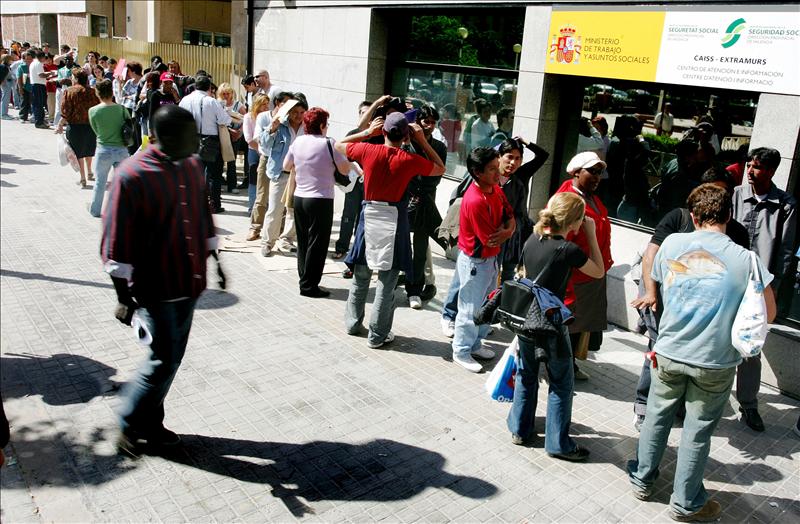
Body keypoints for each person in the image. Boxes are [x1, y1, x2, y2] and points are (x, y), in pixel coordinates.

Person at [628, 183, 777, 522]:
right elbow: (769, 312)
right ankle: (685, 502)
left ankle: (642, 480)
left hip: (667, 351)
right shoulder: (747, 259)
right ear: (729, 216)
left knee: (655, 418)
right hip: (716, 360)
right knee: (697, 432)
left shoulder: (671, 245)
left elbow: (660, 282)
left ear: (693, 217)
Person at [101, 105, 218, 457]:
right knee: (162, 359)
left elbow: (201, 212)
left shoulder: (193, 165)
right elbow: (115, 243)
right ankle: (129, 419)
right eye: (189, 137)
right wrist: (123, 297)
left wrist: (215, 257)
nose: (197, 142)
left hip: (189, 281)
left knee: (172, 357)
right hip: (155, 286)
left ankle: (151, 423)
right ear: (163, 137)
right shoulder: (131, 176)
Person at [630, 169, 751, 431]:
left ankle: (681, 407)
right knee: (657, 352)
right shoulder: (679, 218)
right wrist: (650, 292)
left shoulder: (738, 232)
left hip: (708, 314)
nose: (715, 199)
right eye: (711, 191)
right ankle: (644, 407)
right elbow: (651, 255)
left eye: (722, 194)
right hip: (667, 304)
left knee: (691, 362)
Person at [335, 112, 445, 348]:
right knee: (388, 280)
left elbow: (338, 145)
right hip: (396, 221)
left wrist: (366, 132)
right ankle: (378, 335)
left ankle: (353, 324)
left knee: (361, 274)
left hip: (369, 217)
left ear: (383, 131)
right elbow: (440, 168)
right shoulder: (408, 159)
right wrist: (422, 141)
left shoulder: (367, 150)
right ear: (406, 136)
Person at [508, 192, 605, 459]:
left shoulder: (533, 238)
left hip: (527, 319)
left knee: (527, 374)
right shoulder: (567, 249)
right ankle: (558, 444)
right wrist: (592, 234)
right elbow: (598, 271)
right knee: (561, 383)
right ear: (574, 221)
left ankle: (519, 429)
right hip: (551, 323)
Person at [731, 147, 797, 432]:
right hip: (727, 279)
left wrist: (771, 289)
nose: (750, 171)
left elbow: (784, 251)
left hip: (757, 287)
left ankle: (748, 404)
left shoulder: (785, 205)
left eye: (757, 167)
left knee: (750, 346)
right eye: (749, 165)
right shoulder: (734, 195)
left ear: (770, 171)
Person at [451, 147, 515, 372]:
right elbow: (490, 238)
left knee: (486, 306)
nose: (498, 174)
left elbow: (510, 215)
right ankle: (461, 350)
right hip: (475, 262)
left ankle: (475, 344)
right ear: (477, 172)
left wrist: (507, 230)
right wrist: (507, 231)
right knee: (469, 309)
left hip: (490, 260)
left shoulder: (495, 188)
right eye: (492, 169)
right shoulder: (475, 199)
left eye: (497, 167)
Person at [555, 152, 614, 381]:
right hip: (575, 275)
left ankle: (568, 364)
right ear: (577, 172)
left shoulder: (591, 198)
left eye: (600, 172)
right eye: (592, 171)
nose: (597, 177)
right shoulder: (568, 199)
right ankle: (560, 368)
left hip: (593, 273)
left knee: (581, 326)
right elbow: (559, 240)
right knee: (569, 324)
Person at [283, 107, 353, 297]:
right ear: (322, 125)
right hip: (321, 199)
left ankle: (304, 280)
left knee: (304, 242)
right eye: (326, 124)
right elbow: (345, 170)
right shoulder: (330, 144)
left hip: (300, 198)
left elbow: (286, 166)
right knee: (318, 244)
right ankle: (309, 286)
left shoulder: (298, 142)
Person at [405, 104, 448, 309]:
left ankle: (415, 289)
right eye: (426, 121)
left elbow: (438, 175)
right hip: (405, 200)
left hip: (426, 201)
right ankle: (400, 280)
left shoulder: (439, 147)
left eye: (433, 122)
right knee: (401, 244)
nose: (429, 126)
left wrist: (421, 189)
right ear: (417, 122)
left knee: (421, 247)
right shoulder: (405, 143)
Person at [259, 98, 307, 256]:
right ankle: (267, 242)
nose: (298, 116)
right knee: (274, 210)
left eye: (301, 112)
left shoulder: (307, 127)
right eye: (295, 112)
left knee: (294, 211)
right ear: (289, 112)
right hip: (280, 174)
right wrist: (272, 129)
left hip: (300, 174)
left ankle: (286, 241)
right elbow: (264, 144)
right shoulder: (280, 124)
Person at [179, 75, 232, 213]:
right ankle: (214, 204)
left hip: (190, 139)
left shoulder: (185, 100)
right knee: (214, 175)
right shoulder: (211, 101)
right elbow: (224, 120)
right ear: (209, 87)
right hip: (210, 141)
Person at [246, 91, 292, 241]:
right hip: (266, 159)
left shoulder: (290, 120)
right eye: (287, 104)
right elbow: (259, 139)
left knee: (283, 199)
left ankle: (278, 230)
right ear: (278, 104)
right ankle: (255, 227)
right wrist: (273, 128)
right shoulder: (264, 117)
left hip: (285, 162)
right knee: (262, 195)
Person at [333, 100, 372, 260]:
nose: (366, 116)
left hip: (370, 184)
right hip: (354, 182)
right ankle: (342, 246)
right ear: (359, 115)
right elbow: (343, 154)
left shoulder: (376, 136)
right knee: (348, 215)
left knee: (364, 219)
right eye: (363, 113)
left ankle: (357, 251)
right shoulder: (353, 134)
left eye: (369, 113)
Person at [87, 79, 130, 217]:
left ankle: (95, 210)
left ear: (97, 93)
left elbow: (95, 130)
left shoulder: (93, 111)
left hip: (104, 149)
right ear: (112, 92)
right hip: (122, 149)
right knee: (122, 182)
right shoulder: (122, 109)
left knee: (100, 182)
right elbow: (129, 125)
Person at [58, 69, 100, 188]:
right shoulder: (93, 92)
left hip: (75, 126)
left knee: (79, 153)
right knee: (88, 149)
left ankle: (82, 178)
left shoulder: (69, 91)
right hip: (90, 125)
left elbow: (65, 110)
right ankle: (90, 172)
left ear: (76, 79)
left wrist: (61, 124)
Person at [216, 82, 247, 194]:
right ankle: (218, 184)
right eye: (223, 93)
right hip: (222, 135)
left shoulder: (238, 105)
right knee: (219, 161)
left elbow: (246, 119)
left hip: (235, 137)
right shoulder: (217, 104)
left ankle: (232, 185)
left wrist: (239, 132)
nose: (226, 96)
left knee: (232, 161)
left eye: (228, 93)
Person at [242, 94, 269, 214]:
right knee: (253, 180)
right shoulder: (248, 117)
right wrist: (259, 150)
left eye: (267, 104)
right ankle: (252, 208)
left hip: (266, 152)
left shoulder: (268, 116)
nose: (266, 107)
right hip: (254, 151)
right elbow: (249, 138)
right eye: (263, 104)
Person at [16, 51, 34, 123]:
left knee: (32, 102)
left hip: (32, 87)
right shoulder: (21, 67)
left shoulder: (33, 65)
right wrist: (20, 88)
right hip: (24, 87)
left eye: (30, 59)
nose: (29, 60)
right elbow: (19, 78)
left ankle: (32, 115)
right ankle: (22, 117)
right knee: (24, 102)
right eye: (27, 59)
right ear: (24, 59)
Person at [0, 54, 14, 120]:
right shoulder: (3, 66)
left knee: (6, 99)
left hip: (8, 83)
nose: (12, 60)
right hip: (5, 84)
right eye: (10, 59)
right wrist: (2, 82)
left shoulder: (7, 66)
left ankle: (5, 113)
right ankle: (3, 114)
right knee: (5, 99)